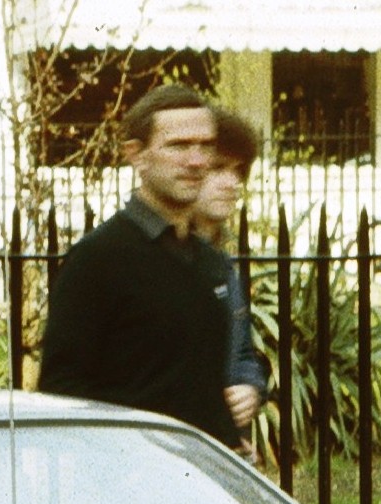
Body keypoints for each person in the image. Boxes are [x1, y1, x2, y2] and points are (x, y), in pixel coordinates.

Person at [37, 84, 236, 443]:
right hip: (128, 481)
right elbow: (63, 393)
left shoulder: (209, 261)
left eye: (205, 146)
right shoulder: (97, 260)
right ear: (136, 155)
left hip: (201, 481)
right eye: (178, 146)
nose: (195, 161)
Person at [195, 107, 269, 446]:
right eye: (219, 168)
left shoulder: (223, 263)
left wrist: (251, 389)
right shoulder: (160, 261)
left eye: (239, 171)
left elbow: (241, 354)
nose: (233, 182)